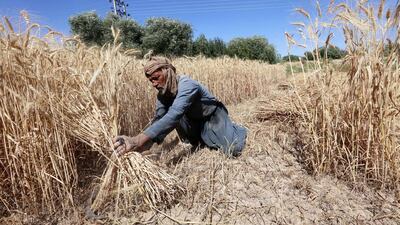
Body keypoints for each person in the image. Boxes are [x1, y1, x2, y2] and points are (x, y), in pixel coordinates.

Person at [113, 56, 247, 157]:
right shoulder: (163, 94)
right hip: (193, 121)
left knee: (233, 149)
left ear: (167, 71)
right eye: (150, 80)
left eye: (156, 77)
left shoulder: (187, 84)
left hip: (212, 117)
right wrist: (144, 144)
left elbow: (175, 114)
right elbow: (160, 118)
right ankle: (204, 136)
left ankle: (235, 128)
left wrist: (137, 140)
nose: (153, 84)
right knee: (196, 143)